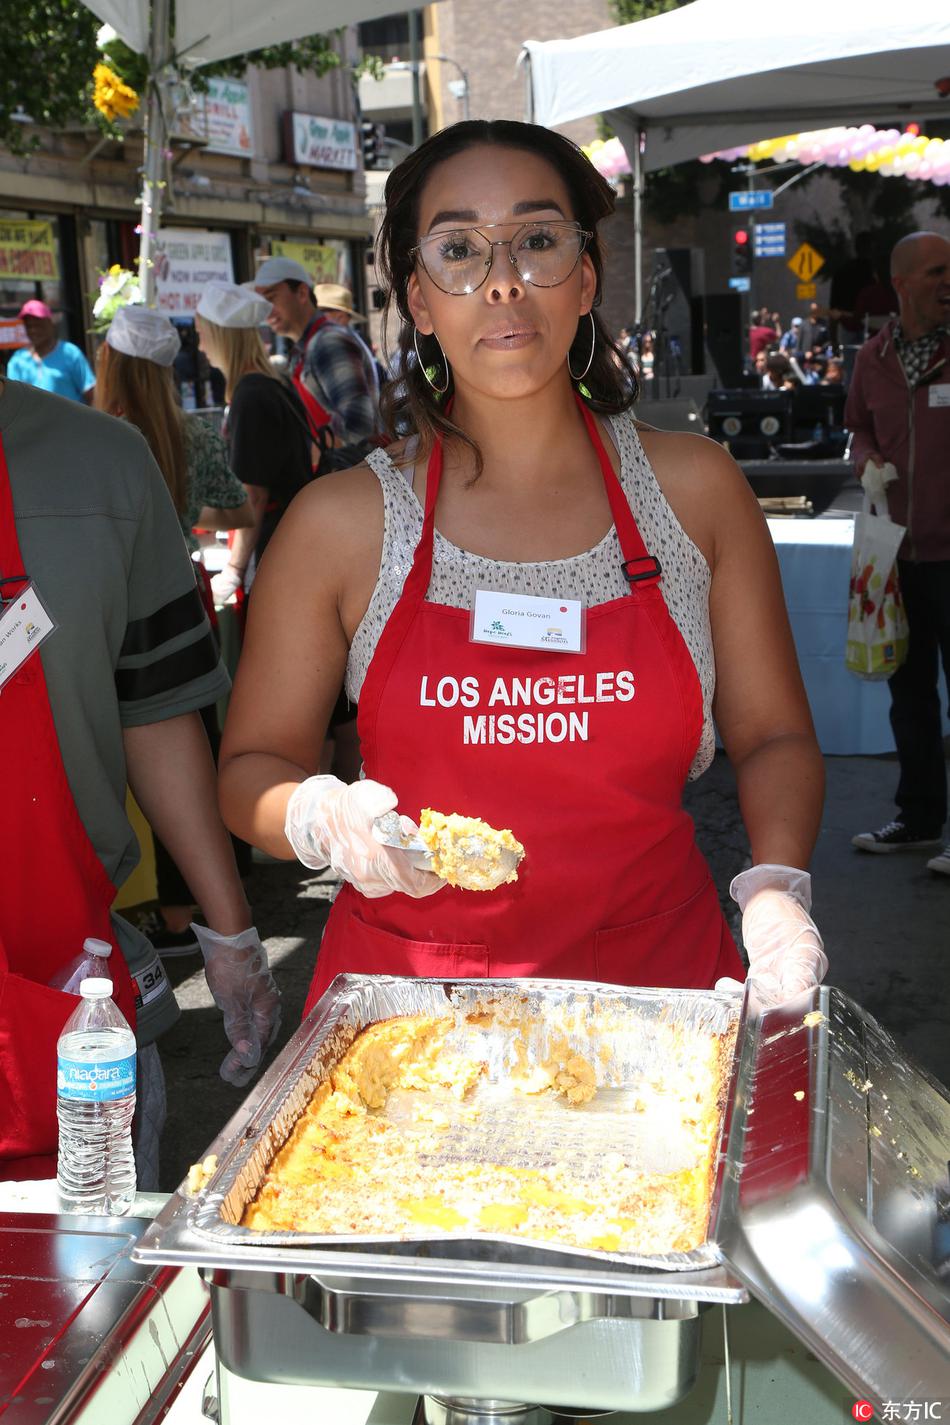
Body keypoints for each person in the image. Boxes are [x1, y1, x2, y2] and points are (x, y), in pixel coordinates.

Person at [217, 118, 826, 1016]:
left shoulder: (695, 493)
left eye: (539, 240)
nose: (502, 281)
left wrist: (776, 886)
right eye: (459, 250)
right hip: (409, 1014)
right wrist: (314, 814)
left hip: (659, 995)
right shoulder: (339, 525)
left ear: (586, 278)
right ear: (420, 300)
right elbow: (250, 766)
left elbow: (773, 735)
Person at [0, 375, 281, 1186]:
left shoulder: (101, 465)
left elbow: (153, 712)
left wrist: (229, 935)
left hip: (69, 1010)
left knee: (94, 1302)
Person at [95, 303, 254, 955]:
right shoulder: (190, 431)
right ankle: (216, 888)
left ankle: (167, 906)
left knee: (136, 743)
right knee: (194, 735)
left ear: (111, 361)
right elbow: (240, 506)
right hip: (181, 586)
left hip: (114, 598)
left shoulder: (100, 434)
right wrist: (187, 513)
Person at [849, 231, 950, 875]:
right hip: (896, 557)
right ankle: (918, 819)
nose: (949, 282)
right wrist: (868, 462)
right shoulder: (872, 358)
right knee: (909, 694)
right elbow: (857, 428)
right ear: (904, 283)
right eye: (938, 271)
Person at [195, 281, 313, 604]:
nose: (200, 347)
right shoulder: (268, 386)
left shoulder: (252, 395)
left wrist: (234, 568)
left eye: (202, 334)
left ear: (220, 336)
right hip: (289, 543)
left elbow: (254, 495)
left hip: (274, 550)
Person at [251, 256, 383, 466]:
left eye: (271, 298)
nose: (266, 310)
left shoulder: (328, 342)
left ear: (302, 293)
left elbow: (360, 425)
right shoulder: (306, 347)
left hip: (356, 477)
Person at [6, 299, 95, 404]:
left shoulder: (70, 353)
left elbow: (91, 394)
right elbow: (14, 401)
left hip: (71, 420)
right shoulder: (18, 361)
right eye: (29, 326)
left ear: (50, 323)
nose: (33, 330)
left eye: (38, 325)